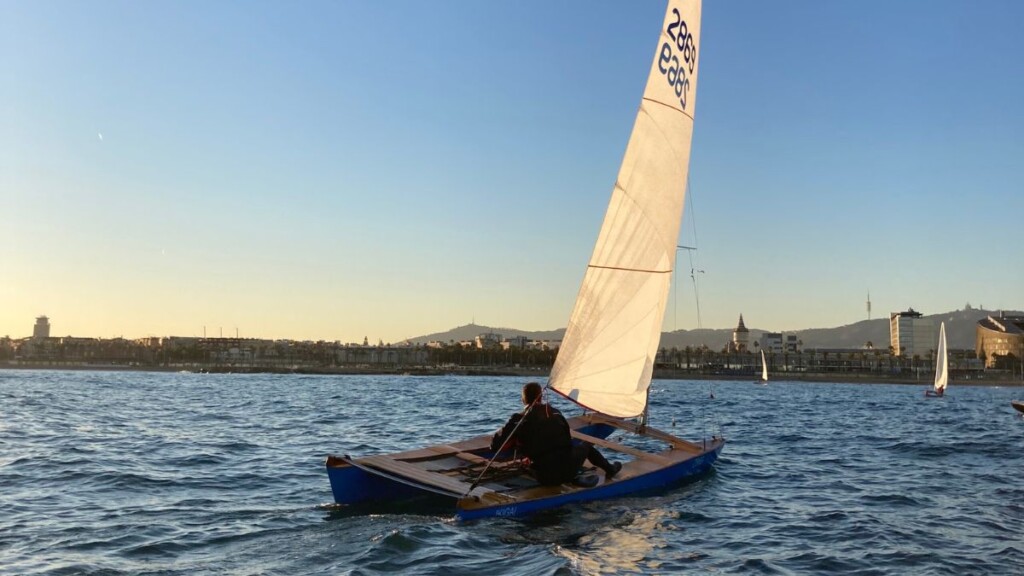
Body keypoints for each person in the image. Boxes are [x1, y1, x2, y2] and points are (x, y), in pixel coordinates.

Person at [490, 381, 621, 485]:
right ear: (541, 396)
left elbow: (495, 446)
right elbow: (567, 437)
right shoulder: (556, 413)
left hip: (544, 477)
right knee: (586, 446)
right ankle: (610, 469)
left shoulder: (518, 419)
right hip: (568, 470)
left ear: (523, 400)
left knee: (532, 462)